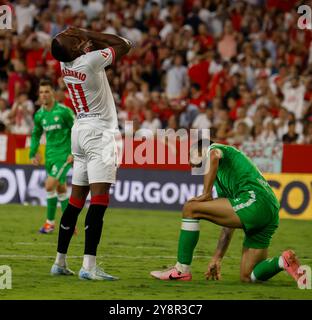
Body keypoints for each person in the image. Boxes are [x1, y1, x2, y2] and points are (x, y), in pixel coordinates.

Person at [151, 140, 302, 284]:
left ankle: (181, 270)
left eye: (191, 155)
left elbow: (214, 155)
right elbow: (228, 225)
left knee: (190, 208)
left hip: (255, 201)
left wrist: (206, 193)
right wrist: (217, 258)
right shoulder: (222, 179)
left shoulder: (214, 149)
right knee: (248, 276)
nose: (190, 162)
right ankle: (284, 261)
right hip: (269, 210)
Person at [49, 27, 132, 280]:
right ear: (74, 49)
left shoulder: (67, 65)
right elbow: (125, 44)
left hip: (80, 131)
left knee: (75, 202)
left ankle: (60, 262)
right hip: (100, 134)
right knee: (98, 202)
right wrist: (89, 33)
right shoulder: (89, 61)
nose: (74, 35)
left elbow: (81, 49)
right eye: (71, 38)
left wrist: (82, 41)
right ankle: (89, 266)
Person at [29, 80, 75, 234]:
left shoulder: (64, 111)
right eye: (41, 92)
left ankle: (49, 224)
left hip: (64, 155)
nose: (44, 95)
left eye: (47, 91)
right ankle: (70, 223)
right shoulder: (39, 114)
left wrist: (73, 152)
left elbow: (77, 130)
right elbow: (36, 134)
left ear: (53, 93)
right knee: (61, 189)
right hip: (49, 155)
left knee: (49, 185)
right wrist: (33, 152)